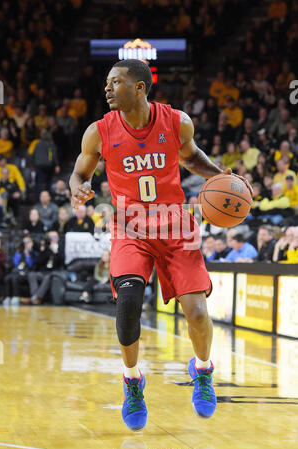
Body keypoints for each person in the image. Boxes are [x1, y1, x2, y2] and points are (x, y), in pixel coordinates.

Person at [69, 59, 252, 430]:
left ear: (139, 87)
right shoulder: (98, 132)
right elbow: (79, 172)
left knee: (198, 314)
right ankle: (132, 380)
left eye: (115, 82)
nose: (107, 88)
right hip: (130, 229)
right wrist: (78, 188)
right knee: (129, 305)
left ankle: (202, 370)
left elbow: (189, 156)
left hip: (175, 226)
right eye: (106, 82)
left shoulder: (177, 121)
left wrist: (220, 176)